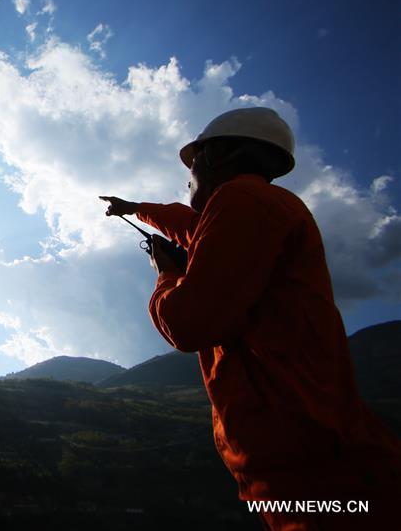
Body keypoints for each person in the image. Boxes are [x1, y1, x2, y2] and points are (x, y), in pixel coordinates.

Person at [100, 107, 400, 530]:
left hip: (307, 464)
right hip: (306, 455)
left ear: (218, 156)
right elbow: (191, 227)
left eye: (193, 163)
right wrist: (135, 208)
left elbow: (188, 323)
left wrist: (166, 275)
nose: (188, 177)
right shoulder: (258, 206)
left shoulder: (243, 200)